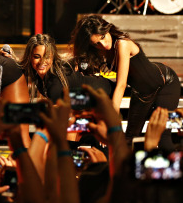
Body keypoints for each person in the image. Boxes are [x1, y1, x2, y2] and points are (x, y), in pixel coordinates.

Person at [71, 15, 180, 150]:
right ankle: (134, 170)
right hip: (142, 93)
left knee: (163, 137)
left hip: (166, 83)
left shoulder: (122, 44)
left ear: (107, 29)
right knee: (130, 139)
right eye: (96, 43)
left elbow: (121, 85)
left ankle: (174, 169)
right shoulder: (102, 51)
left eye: (103, 37)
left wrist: (110, 121)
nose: (103, 45)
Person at [20, 34, 114, 103]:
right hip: (88, 97)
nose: (42, 61)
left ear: (53, 57)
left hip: (104, 91)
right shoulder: (40, 75)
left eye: (47, 57)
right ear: (30, 57)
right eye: (37, 57)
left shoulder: (55, 82)